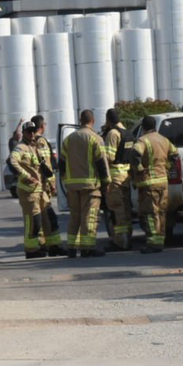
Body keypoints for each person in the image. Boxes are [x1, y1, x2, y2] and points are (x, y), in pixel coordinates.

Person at [59, 109, 108, 258]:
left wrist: (65, 180)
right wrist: (106, 182)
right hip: (90, 185)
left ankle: (72, 248)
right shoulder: (95, 138)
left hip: (72, 186)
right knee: (89, 216)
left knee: (75, 217)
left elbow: (61, 163)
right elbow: (101, 163)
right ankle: (88, 248)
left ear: (80, 121)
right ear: (92, 121)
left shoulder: (68, 139)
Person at [130, 116, 179, 254]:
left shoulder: (143, 140)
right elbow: (175, 155)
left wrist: (139, 168)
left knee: (150, 214)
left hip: (148, 184)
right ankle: (160, 240)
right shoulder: (164, 140)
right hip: (163, 182)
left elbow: (134, 153)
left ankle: (153, 243)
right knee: (162, 212)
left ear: (144, 127)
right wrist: (168, 167)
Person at [8, 121, 56, 259]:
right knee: (33, 221)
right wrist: (26, 176)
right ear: (23, 133)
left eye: (33, 131)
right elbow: (13, 161)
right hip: (29, 191)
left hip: (41, 190)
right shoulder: (21, 147)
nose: (32, 134)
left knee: (47, 219)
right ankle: (31, 250)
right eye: (29, 131)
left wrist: (50, 183)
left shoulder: (35, 147)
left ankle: (50, 246)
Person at [31, 115, 66, 256]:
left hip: (36, 186)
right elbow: (47, 165)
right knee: (49, 217)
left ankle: (44, 244)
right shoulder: (41, 142)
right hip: (43, 186)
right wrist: (52, 184)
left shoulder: (30, 142)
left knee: (41, 217)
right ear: (41, 126)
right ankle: (52, 246)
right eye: (44, 124)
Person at [102, 109, 135, 251]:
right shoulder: (129, 133)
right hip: (126, 176)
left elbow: (108, 157)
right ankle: (127, 237)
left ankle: (120, 241)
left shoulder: (112, 134)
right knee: (126, 209)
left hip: (115, 177)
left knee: (116, 209)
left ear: (108, 120)